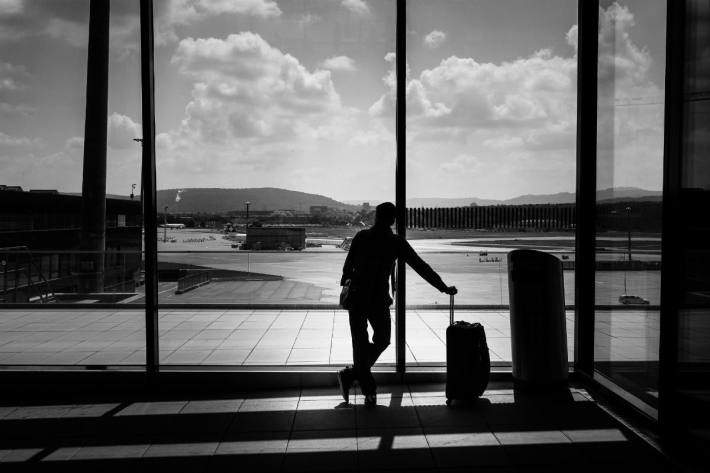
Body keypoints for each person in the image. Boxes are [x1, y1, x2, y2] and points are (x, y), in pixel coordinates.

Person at [337, 202, 457, 405]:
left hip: (359, 298)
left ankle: (356, 377)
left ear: (376, 216)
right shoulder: (395, 242)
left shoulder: (362, 237)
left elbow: (347, 268)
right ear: (393, 220)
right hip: (376, 300)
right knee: (382, 339)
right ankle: (366, 388)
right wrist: (442, 287)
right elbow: (421, 266)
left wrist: (352, 281)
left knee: (361, 344)